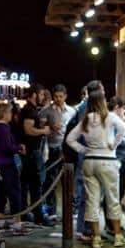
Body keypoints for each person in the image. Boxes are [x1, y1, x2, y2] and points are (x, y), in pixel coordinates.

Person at [66, 89, 125, 248]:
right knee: (112, 199)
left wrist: (84, 150)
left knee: (92, 200)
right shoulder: (110, 116)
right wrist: (113, 144)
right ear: (102, 101)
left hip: (89, 161)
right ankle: (118, 236)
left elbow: (70, 139)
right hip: (107, 161)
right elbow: (122, 128)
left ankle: (96, 237)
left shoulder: (86, 119)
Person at [38, 84, 75, 222]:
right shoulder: (45, 111)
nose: (58, 99)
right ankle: (51, 209)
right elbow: (40, 127)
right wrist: (50, 127)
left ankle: (70, 209)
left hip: (68, 149)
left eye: (61, 96)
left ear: (65, 96)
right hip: (52, 148)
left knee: (68, 180)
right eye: (56, 96)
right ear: (53, 97)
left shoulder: (72, 111)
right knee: (51, 180)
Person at [0, 103, 28, 236]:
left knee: (0, 192)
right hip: (7, 163)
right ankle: (17, 223)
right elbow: (6, 147)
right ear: (4, 114)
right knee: (14, 192)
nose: (11, 115)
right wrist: (19, 148)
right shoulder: (4, 128)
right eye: (9, 112)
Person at [18, 87, 53, 226]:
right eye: (41, 94)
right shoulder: (29, 110)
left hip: (31, 152)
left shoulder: (31, 110)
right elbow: (28, 130)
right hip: (32, 152)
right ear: (34, 94)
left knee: (27, 184)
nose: (43, 96)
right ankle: (37, 215)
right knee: (35, 184)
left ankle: (27, 213)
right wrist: (43, 130)